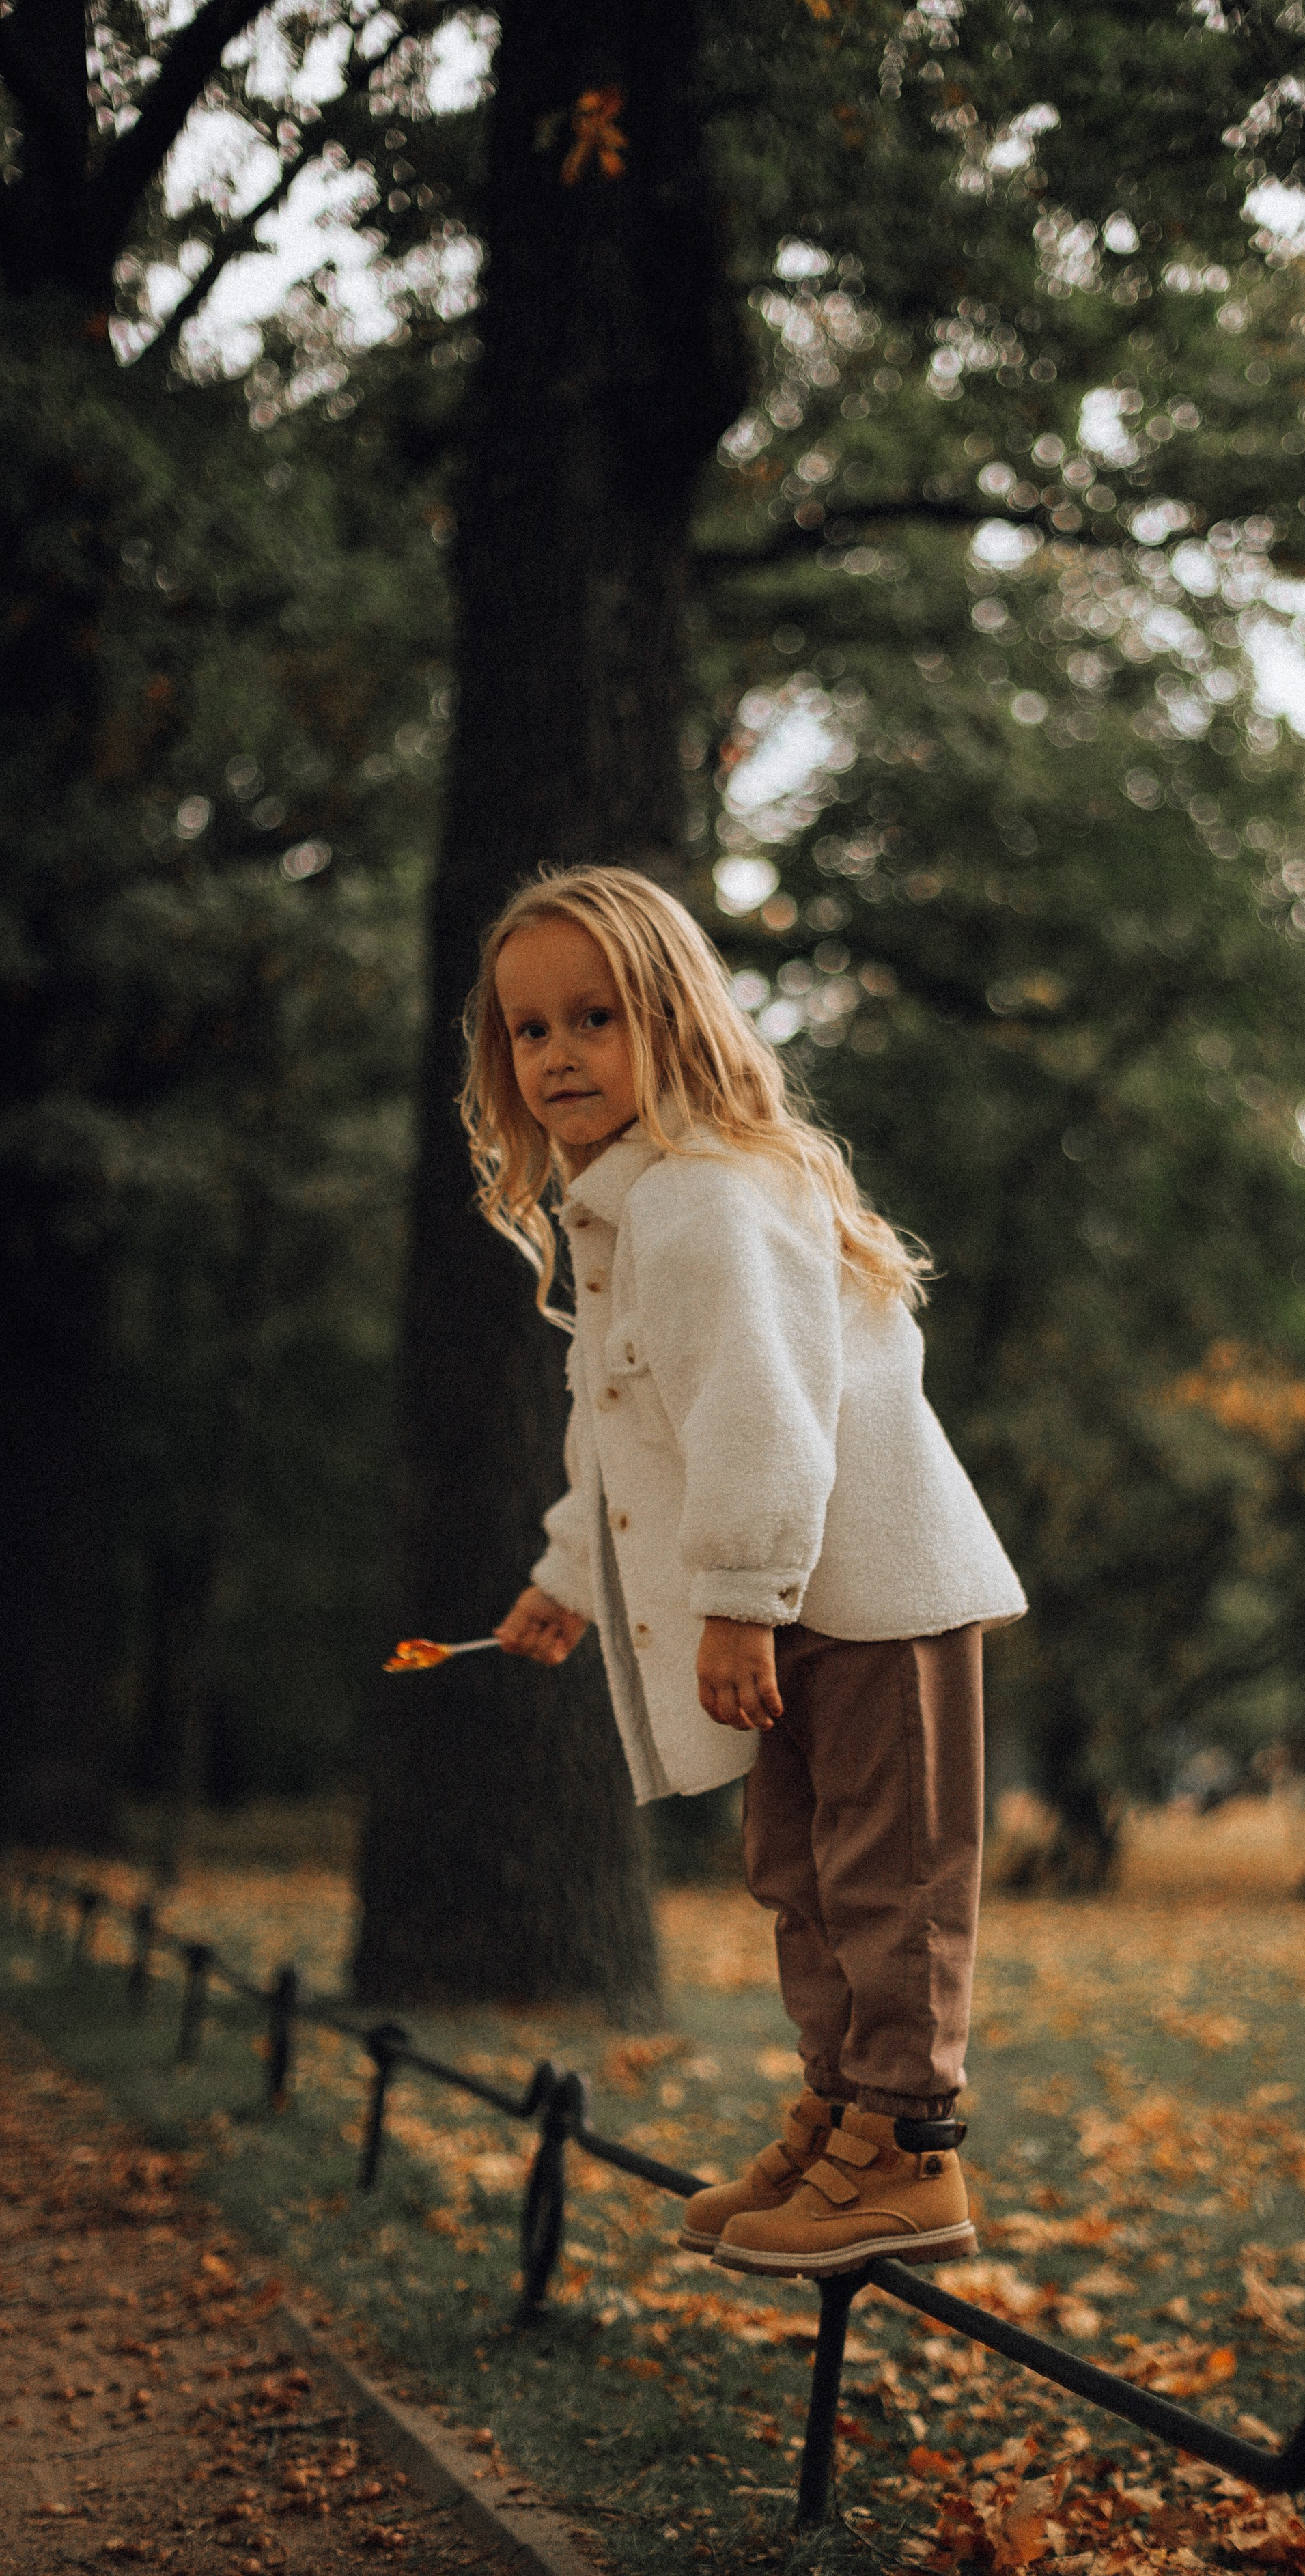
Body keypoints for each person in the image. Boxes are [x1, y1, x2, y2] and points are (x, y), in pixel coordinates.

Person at [460, 865, 1026, 2278]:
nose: (556, 1056)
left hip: (866, 1598)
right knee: (799, 1872)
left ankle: (906, 2151)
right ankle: (839, 2115)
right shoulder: (625, 1210)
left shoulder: (706, 1199)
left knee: (885, 1878)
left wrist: (735, 1604)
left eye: (595, 1017)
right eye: (528, 1032)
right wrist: (566, 1579)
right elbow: (630, 1439)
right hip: (788, 1603)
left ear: (678, 1022)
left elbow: (760, 1412)